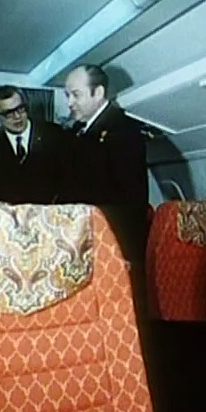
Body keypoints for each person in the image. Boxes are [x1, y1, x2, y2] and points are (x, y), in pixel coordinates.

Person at [63, 64, 150, 317]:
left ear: (98, 93)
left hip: (114, 244)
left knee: (119, 316)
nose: (69, 102)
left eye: (76, 94)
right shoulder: (81, 132)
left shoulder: (123, 131)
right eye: (68, 95)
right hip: (91, 242)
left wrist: (122, 252)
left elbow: (132, 198)